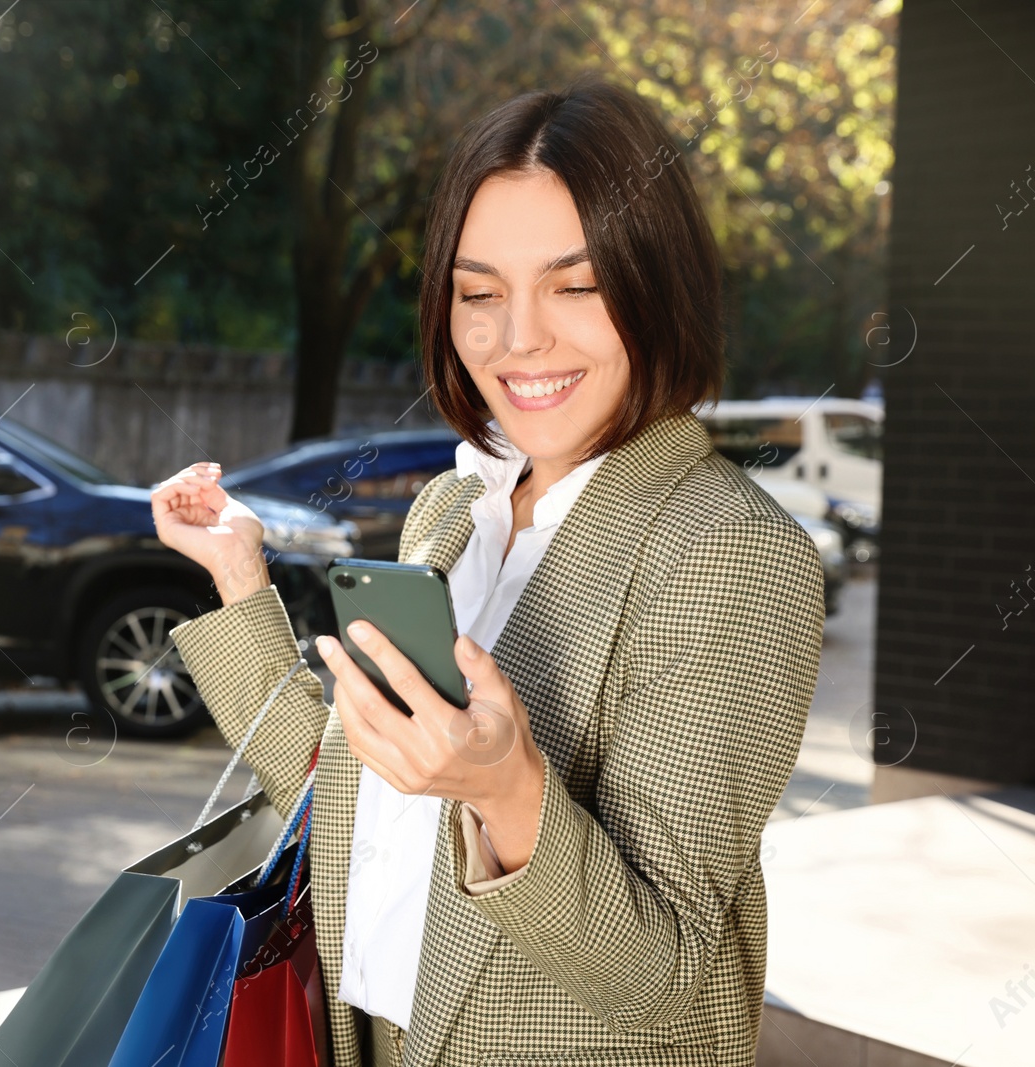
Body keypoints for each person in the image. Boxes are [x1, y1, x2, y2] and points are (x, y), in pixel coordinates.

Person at [150, 78, 824, 1067]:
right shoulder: (454, 511)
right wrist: (240, 579)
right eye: (478, 292)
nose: (518, 338)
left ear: (658, 282)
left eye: (575, 285)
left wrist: (508, 790)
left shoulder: (726, 551)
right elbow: (349, 773)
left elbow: (662, 968)